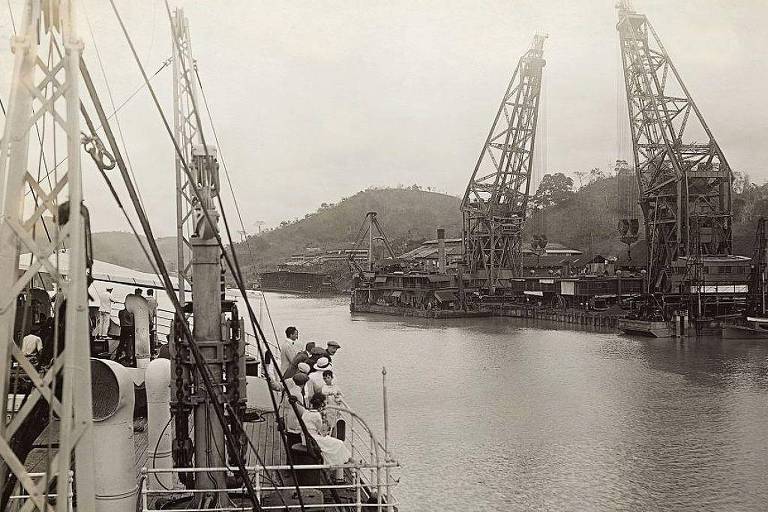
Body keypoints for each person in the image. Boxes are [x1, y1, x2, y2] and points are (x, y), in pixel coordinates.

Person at [304, 393, 351, 482]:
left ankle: (348, 461)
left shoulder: (306, 412)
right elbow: (320, 428)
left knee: (331, 441)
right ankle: (348, 462)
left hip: (307, 438)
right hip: (313, 439)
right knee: (338, 443)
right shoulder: (317, 415)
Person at [282, 372, 309, 448]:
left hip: (289, 421)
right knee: (294, 444)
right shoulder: (298, 394)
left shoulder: (291, 391)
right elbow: (300, 411)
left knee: (289, 443)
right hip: (294, 425)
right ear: (304, 384)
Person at [321, 369, 343, 437]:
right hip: (329, 408)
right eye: (325, 378)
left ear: (332, 378)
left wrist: (339, 396)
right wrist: (332, 393)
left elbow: (341, 394)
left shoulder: (335, 386)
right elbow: (324, 392)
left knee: (335, 423)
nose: (327, 379)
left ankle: (334, 436)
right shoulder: (324, 387)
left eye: (328, 377)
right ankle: (330, 436)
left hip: (335, 407)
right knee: (329, 424)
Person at [146, 289, 158, 355]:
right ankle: (151, 351)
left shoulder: (144, 299)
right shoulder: (154, 301)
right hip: (150, 321)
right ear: (152, 293)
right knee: (151, 336)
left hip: (143, 320)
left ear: (147, 293)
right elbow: (155, 313)